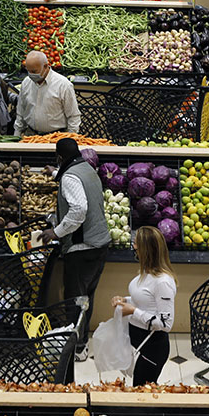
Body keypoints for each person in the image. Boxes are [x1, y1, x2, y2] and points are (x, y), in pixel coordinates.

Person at [40, 138, 111, 361]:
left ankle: (77, 347)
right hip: (99, 244)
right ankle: (82, 344)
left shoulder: (70, 176)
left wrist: (57, 232)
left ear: (59, 157)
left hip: (83, 247)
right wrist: (55, 174)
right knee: (86, 297)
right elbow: (76, 184)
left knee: (75, 300)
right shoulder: (86, 168)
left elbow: (79, 209)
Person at [110, 226, 176, 385]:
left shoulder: (163, 282)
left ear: (146, 250)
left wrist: (133, 311)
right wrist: (126, 301)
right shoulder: (147, 272)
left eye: (137, 245)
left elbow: (166, 324)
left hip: (152, 348)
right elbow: (146, 301)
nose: (134, 247)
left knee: (142, 392)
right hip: (139, 341)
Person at [14, 51, 81, 136]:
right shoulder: (26, 82)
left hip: (56, 136)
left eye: (34, 71)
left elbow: (73, 116)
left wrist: (71, 138)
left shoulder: (63, 85)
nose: (31, 74)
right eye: (28, 71)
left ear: (45, 66)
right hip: (31, 136)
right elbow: (21, 111)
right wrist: (17, 133)